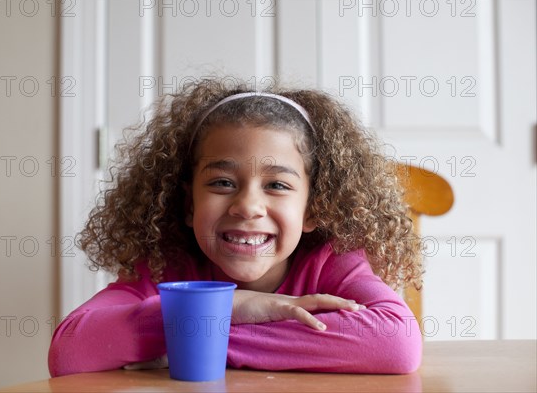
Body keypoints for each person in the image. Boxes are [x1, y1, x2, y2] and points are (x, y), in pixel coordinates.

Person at [48, 78, 423, 377]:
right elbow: (70, 351)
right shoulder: (166, 268)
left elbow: (397, 343)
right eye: (222, 182)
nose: (247, 206)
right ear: (189, 204)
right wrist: (231, 307)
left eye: (277, 185)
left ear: (313, 210)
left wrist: (193, 336)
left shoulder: (332, 262)